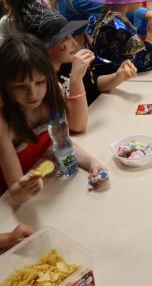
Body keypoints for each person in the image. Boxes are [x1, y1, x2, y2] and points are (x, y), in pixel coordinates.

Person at [0, 0, 135, 112]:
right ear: (45, 46)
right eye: (65, 38)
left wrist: (119, 76)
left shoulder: (69, 62)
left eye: (70, 36)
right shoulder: (41, 82)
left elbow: (94, 84)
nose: (74, 43)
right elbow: (74, 124)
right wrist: (76, 79)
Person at [0, 33, 108, 202]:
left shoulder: (54, 92)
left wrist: (91, 162)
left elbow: (61, 143)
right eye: (20, 86)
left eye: (40, 81)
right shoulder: (3, 122)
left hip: (46, 184)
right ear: (5, 85)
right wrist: (26, 189)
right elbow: (14, 192)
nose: (33, 93)